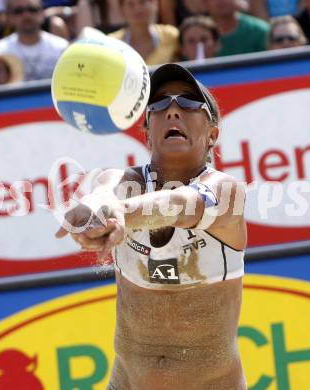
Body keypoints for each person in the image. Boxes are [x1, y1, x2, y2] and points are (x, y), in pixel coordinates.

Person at [56, 63, 247, 389]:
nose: (172, 110)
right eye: (158, 104)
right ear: (146, 132)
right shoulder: (120, 181)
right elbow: (103, 193)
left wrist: (121, 213)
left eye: (188, 102)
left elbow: (176, 205)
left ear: (212, 134)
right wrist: (92, 212)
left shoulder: (226, 190)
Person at [0, 0, 68, 81]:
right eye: (18, 11)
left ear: (42, 13)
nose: (26, 15)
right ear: (9, 17)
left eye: (32, 9)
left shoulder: (61, 48)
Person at [109, 0, 179, 66]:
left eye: (142, 2)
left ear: (154, 4)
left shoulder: (172, 36)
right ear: (122, 10)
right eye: (130, 4)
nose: (137, 9)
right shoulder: (112, 43)